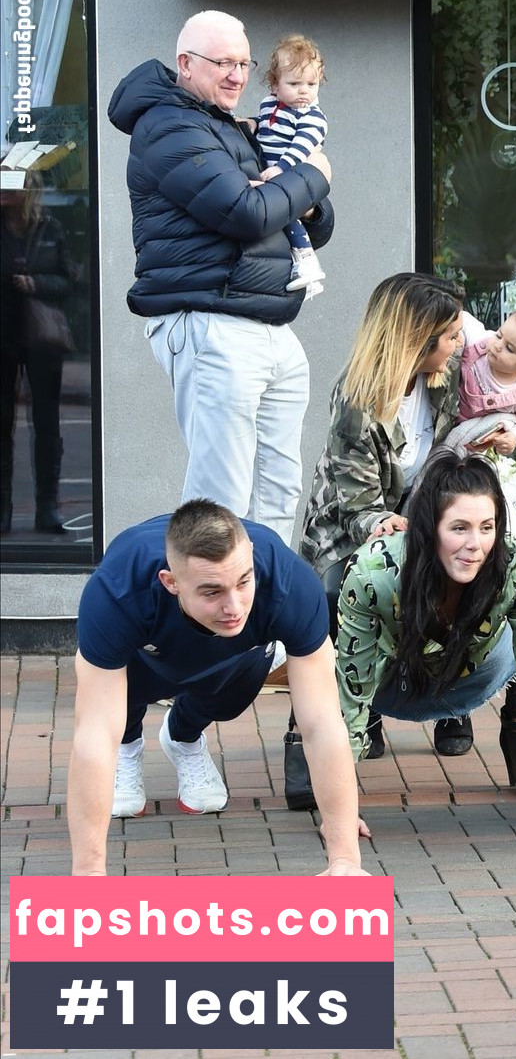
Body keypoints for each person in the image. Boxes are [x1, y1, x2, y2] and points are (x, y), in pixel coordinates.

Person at [107, 10, 335, 543]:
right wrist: (314, 175)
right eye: (222, 63)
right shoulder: (169, 125)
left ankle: (264, 621)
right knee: (222, 501)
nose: (236, 75)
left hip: (269, 324)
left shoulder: (229, 125)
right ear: (185, 65)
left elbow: (305, 224)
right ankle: (208, 625)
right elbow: (246, 213)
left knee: (278, 494)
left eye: (243, 63)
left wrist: (303, 197)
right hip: (212, 323)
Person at [68, 499, 366, 876]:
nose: (234, 605)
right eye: (212, 592)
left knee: (236, 687)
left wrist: (345, 859)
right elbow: (93, 733)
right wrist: (88, 874)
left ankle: (182, 736)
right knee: (118, 700)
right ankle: (130, 746)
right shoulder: (119, 590)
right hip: (143, 658)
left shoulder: (289, 583)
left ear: (252, 557)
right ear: (171, 582)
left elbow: (323, 723)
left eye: (243, 582)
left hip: (228, 656)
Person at [315, 450, 516, 834]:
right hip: (389, 684)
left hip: (474, 676)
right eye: (459, 528)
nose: (476, 544)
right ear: (430, 528)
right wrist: (338, 815)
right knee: (330, 661)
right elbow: (351, 698)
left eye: (487, 527)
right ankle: (305, 733)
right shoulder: (373, 572)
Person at [297, 272, 471, 775]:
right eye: (451, 335)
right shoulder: (358, 405)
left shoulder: (449, 371)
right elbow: (357, 509)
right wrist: (416, 537)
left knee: (473, 569)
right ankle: (359, 703)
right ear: (418, 341)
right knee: (375, 584)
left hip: (421, 516)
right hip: (350, 533)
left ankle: (456, 699)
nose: (460, 343)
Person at [0, 172, 76, 533]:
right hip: (3, 333)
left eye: (9, 181)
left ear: (27, 188)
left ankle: (48, 507)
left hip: (41, 336)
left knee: (47, 424)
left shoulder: (50, 227)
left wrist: (36, 283)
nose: (3, 188)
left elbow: (70, 280)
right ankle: (2, 510)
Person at [253, 34, 330, 296]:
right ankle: (304, 276)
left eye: (312, 83)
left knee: (288, 217)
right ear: (274, 85)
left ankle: (307, 261)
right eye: (295, 83)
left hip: (288, 173)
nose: (304, 90)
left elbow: (303, 144)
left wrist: (282, 167)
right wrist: (252, 124)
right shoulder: (269, 106)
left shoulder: (311, 115)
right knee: (279, 223)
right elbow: (266, 129)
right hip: (271, 172)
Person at [443, 307, 516, 456]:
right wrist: (455, 334)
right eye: (499, 335)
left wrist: (513, 437)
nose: (498, 346)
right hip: (442, 408)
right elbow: (461, 316)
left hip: (467, 432)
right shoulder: (479, 341)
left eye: (510, 349)